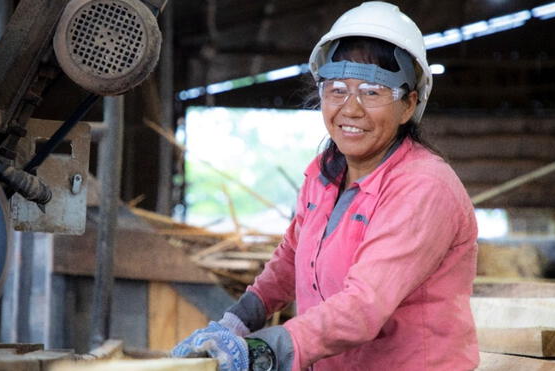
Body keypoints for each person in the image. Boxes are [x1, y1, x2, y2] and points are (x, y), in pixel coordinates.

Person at [172, 2, 479, 370]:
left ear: (409, 104)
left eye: (372, 91)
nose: (350, 109)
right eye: (336, 89)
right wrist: (237, 320)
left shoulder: (424, 188)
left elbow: (363, 306)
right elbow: (291, 257)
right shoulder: (325, 173)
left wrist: (265, 350)